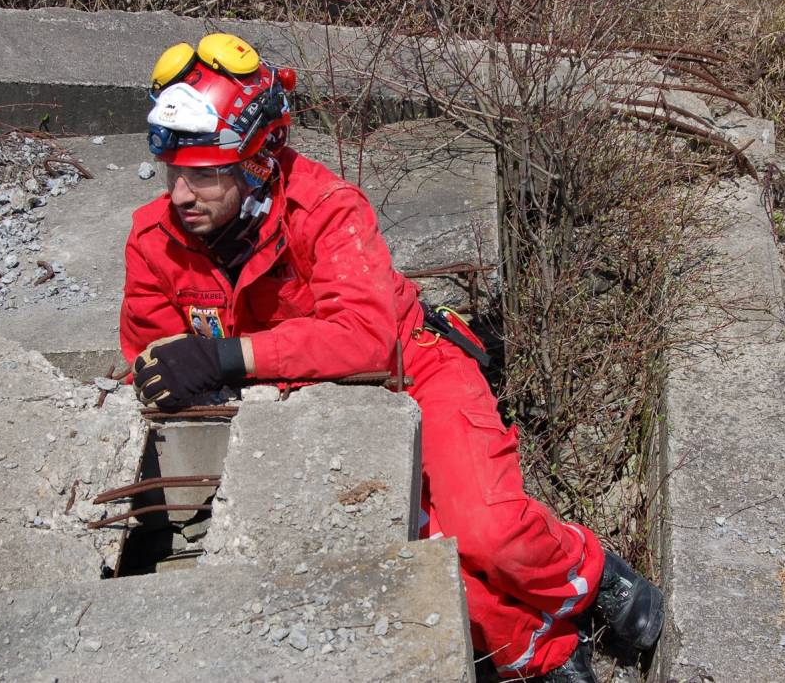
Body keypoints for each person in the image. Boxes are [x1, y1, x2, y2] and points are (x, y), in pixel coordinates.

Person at [120, 33, 663, 681]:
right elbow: (154, 358)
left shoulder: (324, 209)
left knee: (490, 530)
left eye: (205, 174)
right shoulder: (156, 241)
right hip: (309, 410)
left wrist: (226, 355)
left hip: (413, 368)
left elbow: (366, 337)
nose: (182, 194)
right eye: (176, 170)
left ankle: (589, 571)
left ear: (257, 162)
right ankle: (542, 651)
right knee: (429, 550)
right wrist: (178, 376)